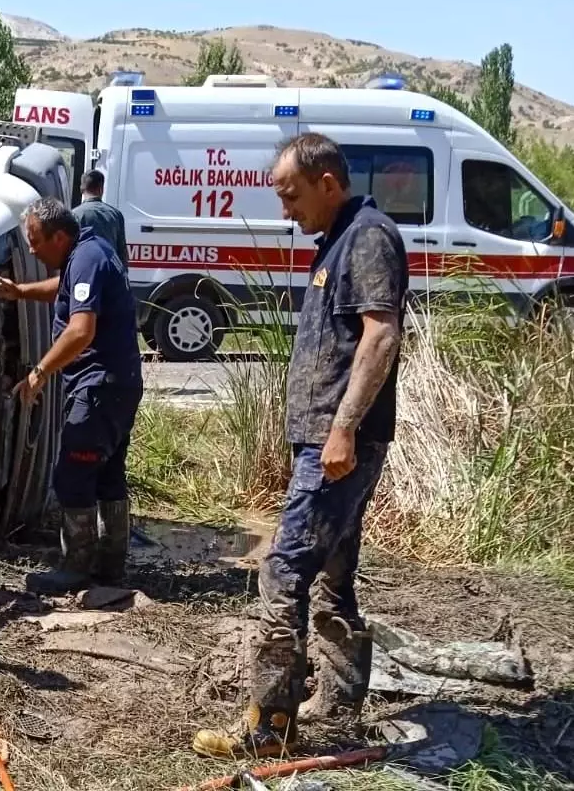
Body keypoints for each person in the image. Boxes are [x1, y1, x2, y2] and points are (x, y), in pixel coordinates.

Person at [192, 132, 408, 758]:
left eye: (290, 195)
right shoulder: (336, 241)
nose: (286, 210)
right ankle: (340, 696)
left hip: (337, 444)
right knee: (334, 575)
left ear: (328, 183)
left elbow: (380, 337)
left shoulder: (367, 237)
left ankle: (270, 726)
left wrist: (341, 430)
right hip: (326, 441)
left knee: (284, 571)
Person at [0, 197, 144, 593]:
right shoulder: (89, 251)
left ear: (59, 236)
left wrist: (39, 372)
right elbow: (68, 288)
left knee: (73, 474)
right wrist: (20, 291)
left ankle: (75, 567)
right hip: (118, 385)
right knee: (107, 475)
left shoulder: (87, 257)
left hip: (99, 387)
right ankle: (110, 566)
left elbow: (80, 330)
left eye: (36, 242)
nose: (33, 250)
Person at [73, 169, 127, 270]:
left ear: (82, 189)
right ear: (101, 189)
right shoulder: (116, 215)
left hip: (83, 271)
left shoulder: (74, 215)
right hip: (109, 273)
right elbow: (122, 252)